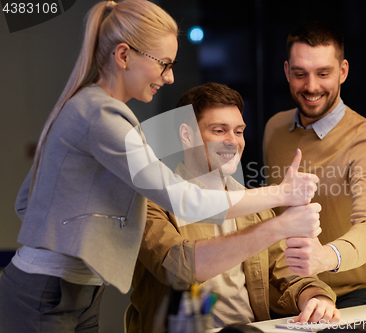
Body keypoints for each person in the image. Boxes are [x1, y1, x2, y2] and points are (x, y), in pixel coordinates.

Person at [0, 2, 319, 331]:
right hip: (49, 290)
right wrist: (282, 194)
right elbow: (187, 204)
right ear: (123, 56)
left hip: (77, 289)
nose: (170, 77)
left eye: (238, 131)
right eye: (164, 64)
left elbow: (27, 202)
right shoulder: (102, 115)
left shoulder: (91, 108)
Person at [127, 82, 340, 333]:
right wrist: (278, 224)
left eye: (238, 132)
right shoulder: (151, 201)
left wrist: (316, 298)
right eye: (219, 130)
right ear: (187, 135)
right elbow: (180, 268)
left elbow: (291, 274)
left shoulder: (254, 204)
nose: (233, 142)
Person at [263, 22, 366, 311]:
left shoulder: (365, 140)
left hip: (349, 294)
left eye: (323, 74)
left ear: (342, 71)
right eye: (300, 74)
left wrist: (325, 257)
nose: (311, 87)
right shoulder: (275, 128)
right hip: (286, 293)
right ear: (286, 72)